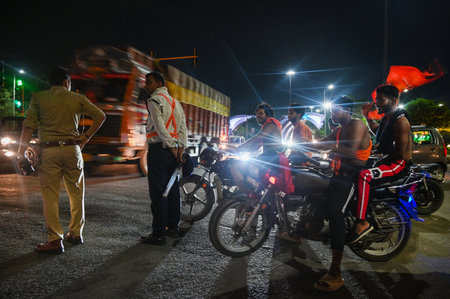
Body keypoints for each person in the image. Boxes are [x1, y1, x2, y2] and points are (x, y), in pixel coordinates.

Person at [17, 67, 106, 254]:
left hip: (48, 152)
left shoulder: (38, 98)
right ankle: (75, 233)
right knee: (76, 193)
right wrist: (86, 137)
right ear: (67, 82)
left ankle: (55, 239)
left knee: (50, 196)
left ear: (51, 83)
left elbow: (27, 128)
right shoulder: (77, 98)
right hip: (73, 149)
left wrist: (21, 153)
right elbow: (100, 116)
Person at [310, 96, 372, 292]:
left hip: (352, 175)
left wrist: (328, 146)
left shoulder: (357, 124)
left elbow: (351, 152)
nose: (332, 113)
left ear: (346, 110)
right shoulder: (338, 130)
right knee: (315, 195)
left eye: (336, 110)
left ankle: (335, 272)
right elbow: (320, 143)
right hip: (338, 173)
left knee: (335, 211)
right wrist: (298, 146)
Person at [348, 84, 412, 243]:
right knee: (355, 169)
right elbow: (379, 132)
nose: (376, 102)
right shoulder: (387, 119)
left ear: (394, 100)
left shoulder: (401, 121)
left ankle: (361, 221)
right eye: (376, 98)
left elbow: (402, 154)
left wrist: (378, 159)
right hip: (389, 160)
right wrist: (367, 116)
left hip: (399, 164)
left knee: (365, 175)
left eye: (381, 99)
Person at [139, 71, 187, 246]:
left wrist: (172, 148)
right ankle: (173, 227)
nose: (146, 86)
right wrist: (180, 149)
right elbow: (183, 128)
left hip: (160, 151)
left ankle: (158, 233)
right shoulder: (176, 103)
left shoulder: (153, 101)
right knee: (173, 190)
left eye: (149, 82)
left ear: (159, 83)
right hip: (173, 152)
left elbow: (160, 127)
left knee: (158, 192)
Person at [230, 102, 282, 193]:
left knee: (235, 167)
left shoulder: (271, 124)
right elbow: (257, 145)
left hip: (272, 157)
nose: (258, 116)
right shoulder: (267, 125)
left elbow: (259, 137)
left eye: (261, 113)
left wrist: (240, 147)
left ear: (268, 115)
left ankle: (244, 195)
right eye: (257, 114)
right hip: (269, 157)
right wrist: (243, 150)